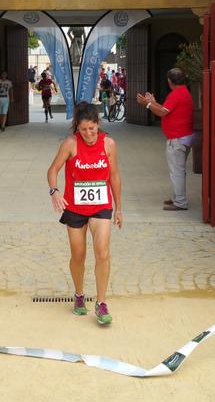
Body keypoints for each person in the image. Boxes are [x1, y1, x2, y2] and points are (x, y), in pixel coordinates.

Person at [46, 101, 122, 325]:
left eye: (92, 128)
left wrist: (119, 208)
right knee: (78, 255)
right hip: (75, 207)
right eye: (83, 129)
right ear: (76, 128)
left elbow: (115, 176)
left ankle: (101, 302)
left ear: (98, 124)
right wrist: (54, 191)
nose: (89, 134)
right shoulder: (70, 144)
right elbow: (52, 170)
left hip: (101, 205)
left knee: (103, 252)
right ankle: (79, 294)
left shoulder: (109, 144)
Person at [136, 68, 195, 211]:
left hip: (177, 138)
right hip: (183, 136)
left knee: (177, 171)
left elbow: (162, 112)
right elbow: (165, 109)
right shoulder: (183, 93)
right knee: (178, 170)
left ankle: (180, 202)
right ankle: (177, 198)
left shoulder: (176, 95)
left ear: (169, 81)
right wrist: (153, 102)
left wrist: (148, 104)